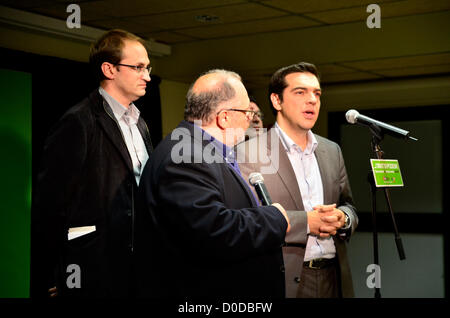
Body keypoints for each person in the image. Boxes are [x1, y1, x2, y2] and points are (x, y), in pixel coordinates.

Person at [138, 69, 290, 297]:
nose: (250, 118)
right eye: (246, 111)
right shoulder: (186, 156)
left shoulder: (203, 151)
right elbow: (213, 230)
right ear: (224, 117)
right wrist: (274, 217)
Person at [33, 29, 153, 297]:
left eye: (148, 67)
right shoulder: (79, 121)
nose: (147, 76)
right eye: (138, 67)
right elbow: (50, 204)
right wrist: (57, 273)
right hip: (92, 271)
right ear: (110, 69)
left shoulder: (141, 124)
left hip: (137, 269)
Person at [238, 62, 358, 298]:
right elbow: (246, 220)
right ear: (276, 101)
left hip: (334, 277)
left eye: (317, 93)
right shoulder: (247, 153)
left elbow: (350, 206)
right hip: (283, 279)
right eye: (300, 92)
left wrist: (342, 218)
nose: (312, 99)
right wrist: (307, 222)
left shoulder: (331, 150)